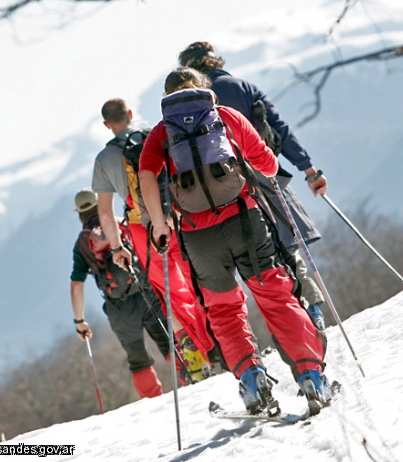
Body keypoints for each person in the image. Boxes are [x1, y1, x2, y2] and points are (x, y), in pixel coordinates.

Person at [138, 67, 331, 415]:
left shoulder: (161, 134)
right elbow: (267, 165)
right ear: (203, 89)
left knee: (224, 310)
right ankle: (311, 376)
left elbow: (146, 175)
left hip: (198, 236)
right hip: (246, 220)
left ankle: (252, 380)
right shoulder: (225, 116)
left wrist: (159, 223)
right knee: (276, 295)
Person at [178, 41, 327, 330]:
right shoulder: (244, 87)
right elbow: (280, 128)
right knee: (288, 243)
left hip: (230, 188)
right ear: (215, 60)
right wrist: (310, 170)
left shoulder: (191, 106)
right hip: (266, 173)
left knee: (263, 256)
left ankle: (294, 315)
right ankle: (315, 307)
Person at [92, 99, 220, 379]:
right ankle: (222, 343)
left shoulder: (103, 159)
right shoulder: (154, 134)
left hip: (142, 230)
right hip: (178, 217)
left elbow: (104, 211)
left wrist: (117, 248)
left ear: (106, 124)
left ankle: (194, 354)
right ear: (130, 114)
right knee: (198, 279)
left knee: (170, 293)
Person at [70, 187, 172, 398]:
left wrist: (79, 321)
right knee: (171, 342)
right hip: (146, 292)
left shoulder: (82, 244)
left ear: (79, 214)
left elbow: (76, 285)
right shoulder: (120, 223)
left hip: (119, 307)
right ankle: (193, 384)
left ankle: (154, 402)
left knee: (138, 360)